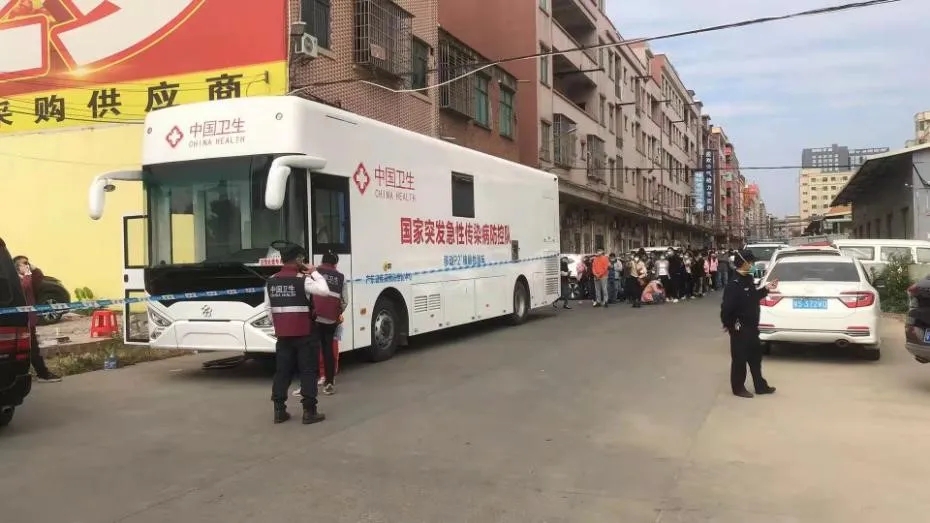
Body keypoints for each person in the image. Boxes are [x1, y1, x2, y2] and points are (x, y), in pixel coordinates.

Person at [265, 245, 332, 424]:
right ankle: (309, 412)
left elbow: (268, 308)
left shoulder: (271, 280)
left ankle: (279, 411)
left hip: (283, 335)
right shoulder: (303, 280)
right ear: (299, 260)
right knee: (307, 371)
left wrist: (280, 324)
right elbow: (325, 291)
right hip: (305, 334)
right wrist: (314, 271)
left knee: (282, 372)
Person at [720, 249, 778, 398]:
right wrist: (730, 325)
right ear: (743, 263)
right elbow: (726, 308)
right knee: (740, 359)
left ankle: (760, 386)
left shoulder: (748, 279)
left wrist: (766, 289)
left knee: (755, 357)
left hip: (752, 327)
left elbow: (752, 297)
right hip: (740, 328)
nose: (753, 265)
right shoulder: (734, 284)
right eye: (751, 262)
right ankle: (738, 388)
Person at [13, 256, 61, 383]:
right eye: (24, 263)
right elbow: (24, 287)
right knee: (31, 349)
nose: (27, 265)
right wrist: (27, 273)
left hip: (30, 320)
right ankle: (42, 374)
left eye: (27, 263)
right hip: (21, 321)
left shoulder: (28, 277)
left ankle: (41, 373)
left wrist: (34, 269)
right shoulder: (16, 279)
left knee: (33, 348)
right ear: (17, 267)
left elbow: (39, 280)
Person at [311, 251, 347, 396]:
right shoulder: (340, 277)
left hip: (315, 318)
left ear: (322, 261)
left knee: (312, 348)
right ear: (335, 264)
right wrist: (337, 313)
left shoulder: (314, 273)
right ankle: (329, 382)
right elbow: (345, 301)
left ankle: (311, 381)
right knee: (328, 350)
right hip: (331, 319)